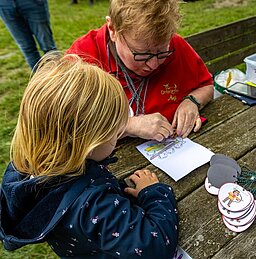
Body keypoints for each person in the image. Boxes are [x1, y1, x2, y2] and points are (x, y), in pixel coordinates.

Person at [0, 53, 178, 258]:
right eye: (115, 133)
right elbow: (155, 247)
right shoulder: (94, 206)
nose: (119, 136)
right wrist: (154, 193)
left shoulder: (26, 169)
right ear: (89, 144)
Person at [67, 0, 214, 142]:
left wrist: (192, 101)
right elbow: (67, 125)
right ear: (113, 30)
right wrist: (129, 125)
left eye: (162, 52)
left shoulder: (175, 44)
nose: (153, 64)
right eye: (142, 54)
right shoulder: (82, 59)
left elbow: (206, 85)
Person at [0, 0, 56, 69]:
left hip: (32, 2)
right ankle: (41, 78)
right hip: (4, 5)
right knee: (27, 49)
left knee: (48, 46)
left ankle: (59, 77)